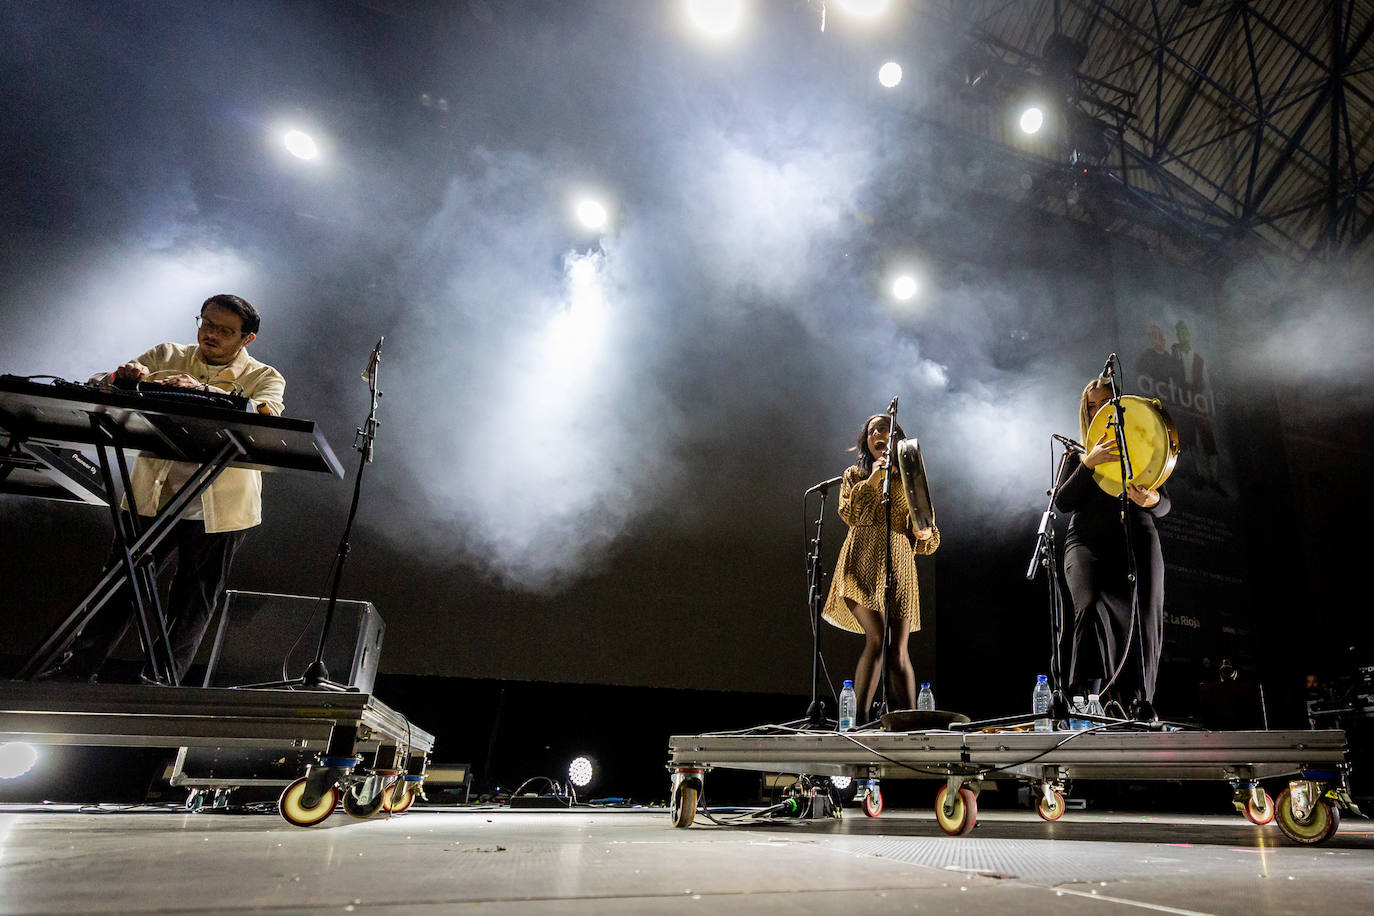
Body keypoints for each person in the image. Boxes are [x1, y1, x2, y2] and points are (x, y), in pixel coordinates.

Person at [48, 294, 285, 684]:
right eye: (206, 323)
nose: (210, 334)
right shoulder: (167, 354)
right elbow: (100, 386)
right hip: (151, 497)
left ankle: (160, 682)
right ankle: (76, 670)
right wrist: (121, 378)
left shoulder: (264, 376)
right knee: (119, 585)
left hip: (220, 509)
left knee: (193, 600)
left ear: (247, 339)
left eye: (224, 331)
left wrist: (203, 392)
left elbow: (266, 414)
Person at [1056, 377, 1170, 721]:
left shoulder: (1141, 445)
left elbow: (1164, 505)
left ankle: (1138, 701)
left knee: (1142, 614)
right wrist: (1089, 463)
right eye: (1092, 405)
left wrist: (1152, 499)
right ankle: (1082, 696)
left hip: (1135, 539)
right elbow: (1063, 501)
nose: (1098, 410)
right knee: (1088, 605)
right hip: (1086, 543)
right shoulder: (1077, 453)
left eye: (1106, 403)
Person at [822, 413, 940, 718]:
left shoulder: (910, 479)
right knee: (876, 639)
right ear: (866, 441)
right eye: (873, 430)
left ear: (896, 438)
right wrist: (876, 475)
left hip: (899, 564)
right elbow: (850, 513)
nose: (878, 434)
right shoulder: (855, 475)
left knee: (898, 651)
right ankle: (857, 723)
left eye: (885, 429)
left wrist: (924, 533)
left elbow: (929, 535)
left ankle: (912, 724)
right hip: (859, 562)